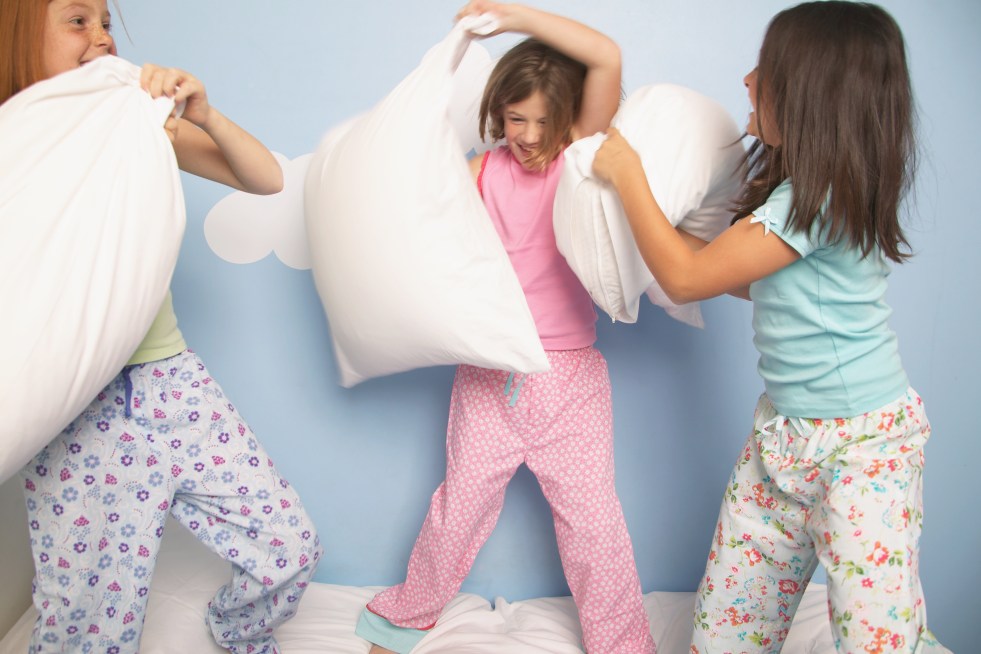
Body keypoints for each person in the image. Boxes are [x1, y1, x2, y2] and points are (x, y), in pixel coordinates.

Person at [592, 2, 948, 652]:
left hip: (862, 449)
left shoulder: (814, 203)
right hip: (783, 439)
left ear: (810, 97)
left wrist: (628, 177)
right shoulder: (808, 199)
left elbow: (687, 280)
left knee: (877, 637)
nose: (747, 79)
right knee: (728, 629)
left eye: (765, 70)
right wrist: (660, 227)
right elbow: (737, 278)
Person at [3, 1, 322, 652]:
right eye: (77, 21)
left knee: (287, 545)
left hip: (170, 380)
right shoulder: (16, 147)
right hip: (75, 409)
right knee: (88, 617)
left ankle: (236, 632)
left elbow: (266, 178)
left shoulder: (132, 122)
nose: (101, 38)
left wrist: (201, 113)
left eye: (105, 23)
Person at [355, 2, 655, 653]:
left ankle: (623, 645)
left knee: (593, 524)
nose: (527, 134)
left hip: (569, 379)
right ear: (498, 113)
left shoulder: (579, 158)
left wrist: (514, 15)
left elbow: (605, 56)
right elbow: (424, 235)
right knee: (459, 509)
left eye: (543, 120)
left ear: (568, 118)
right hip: (490, 373)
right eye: (515, 118)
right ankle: (402, 619)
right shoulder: (483, 171)